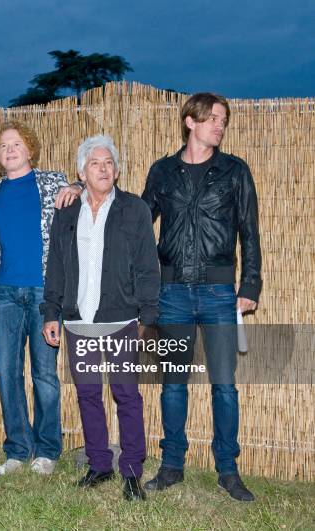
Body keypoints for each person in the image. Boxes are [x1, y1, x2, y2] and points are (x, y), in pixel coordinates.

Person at [142, 93, 262, 501]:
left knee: (224, 386)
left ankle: (228, 470)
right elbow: (138, 224)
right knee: (173, 384)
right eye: (214, 118)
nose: (220, 126)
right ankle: (172, 465)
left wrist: (250, 286)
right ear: (190, 121)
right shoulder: (162, 172)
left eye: (224, 121)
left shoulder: (234, 171)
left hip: (218, 293)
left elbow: (250, 232)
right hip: (171, 292)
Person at [42, 135, 159, 500]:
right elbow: (57, 266)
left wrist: (148, 315)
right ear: (82, 171)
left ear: (117, 169)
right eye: (95, 163)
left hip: (121, 319)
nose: (103, 168)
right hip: (77, 321)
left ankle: (131, 470)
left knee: (127, 394)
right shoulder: (66, 211)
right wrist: (51, 312)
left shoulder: (134, 210)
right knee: (88, 394)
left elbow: (147, 266)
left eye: (109, 162)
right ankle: (99, 464)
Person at [0, 120, 82, 476]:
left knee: (45, 373)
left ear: (29, 149)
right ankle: (17, 450)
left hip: (46, 293)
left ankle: (47, 451)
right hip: (4, 293)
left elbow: (86, 189)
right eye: (3, 146)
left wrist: (76, 185)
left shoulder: (54, 183)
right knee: (5, 370)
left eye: (16, 144)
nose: (10, 150)